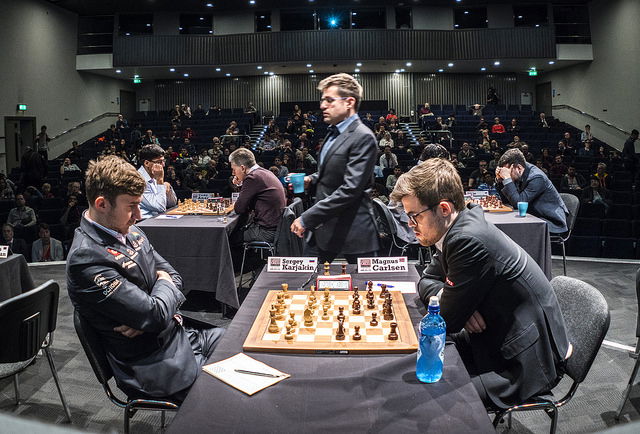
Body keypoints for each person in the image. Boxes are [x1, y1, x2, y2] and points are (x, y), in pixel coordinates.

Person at [390, 158, 571, 410]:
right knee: (417, 360)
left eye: (414, 216)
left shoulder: (467, 239)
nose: (411, 225)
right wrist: (450, 297)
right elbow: (427, 280)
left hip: (522, 361)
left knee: (423, 395)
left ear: (444, 208)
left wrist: (454, 306)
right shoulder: (457, 225)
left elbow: (446, 318)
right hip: (497, 335)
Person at [66, 156, 224, 402]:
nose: (138, 215)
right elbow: (155, 312)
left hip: (180, 334)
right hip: (155, 365)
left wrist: (154, 308)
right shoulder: (85, 259)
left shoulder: (131, 231)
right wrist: (157, 303)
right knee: (235, 396)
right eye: (131, 206)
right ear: (102, 204)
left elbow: (174, 277)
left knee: (243, 346)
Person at [290, 73, 379, 263]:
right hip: (325, 229)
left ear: (349, 102)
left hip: (354, 231)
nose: (323, 106)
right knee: (308, 278)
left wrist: (307, 218)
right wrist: (311, 179)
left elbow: (350, 189)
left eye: (329, 100)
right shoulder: (333, 132)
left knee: (363, 284)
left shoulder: (363, 136)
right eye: (323, 100)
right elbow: (330, 171)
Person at [495, 148, 568, 233]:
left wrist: (507, 179)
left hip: (550, 221)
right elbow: (507, 202)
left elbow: (518, 204)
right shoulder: (519, 172)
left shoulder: (537, 177)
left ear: (519, 168)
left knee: (509, 231)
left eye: (508, 172)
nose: (506, 175)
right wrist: (501, 180)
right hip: (532, 216)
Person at [230, 148, 286, 243]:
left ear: (243, 168)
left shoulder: (253, 177)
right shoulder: (264, 172)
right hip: (277, 228)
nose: (233, 173)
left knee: (227, 237)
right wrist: (240, 183)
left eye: (234, 169)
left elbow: (239, 208)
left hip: (267, 232)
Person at [137, 144, 178, 219]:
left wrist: (168, 190)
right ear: (146, 163)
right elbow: (160, 208)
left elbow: (172, 203)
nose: (163, 165)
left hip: (155, 219)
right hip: (143, 222)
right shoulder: (139, 180)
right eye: (159, 162)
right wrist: (160, 181)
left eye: (163, 161)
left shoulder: (154, 175)